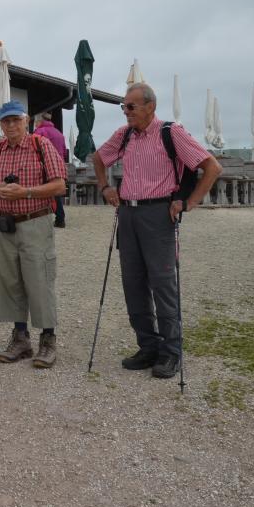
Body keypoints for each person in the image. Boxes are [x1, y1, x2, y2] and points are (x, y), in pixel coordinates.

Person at [93, 82, 222, 379]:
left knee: (163, 284)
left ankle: (171, 352)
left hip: (158, 213)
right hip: (127, 213)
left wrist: (190, 202)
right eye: (124, 106)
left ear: (150, 106)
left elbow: (211, 167)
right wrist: (105, 188)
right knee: (133, 283)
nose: (126, 112)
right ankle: (148, 346)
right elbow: (99, 159)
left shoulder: (170, 132)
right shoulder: (124, 135)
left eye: (131, 106)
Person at [0, 100, 67, 369]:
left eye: (15, 120)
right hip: (5, 224)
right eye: (5, 121)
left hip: (35, 221)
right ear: (0, 124)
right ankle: (20, 338)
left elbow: (59, 185)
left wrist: (26, 192)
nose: (10, 125)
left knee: (39, 279)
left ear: (26, 121)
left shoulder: (40, 145)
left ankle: (48, 340)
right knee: (9, 281)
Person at [34, 112, 69, 228]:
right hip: (59, 165)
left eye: (35, 122)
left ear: (39, 121)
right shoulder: (59, 133)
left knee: (43, 191)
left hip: (45, 165)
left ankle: (54, 218)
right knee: (55, 192)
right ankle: (60, 218)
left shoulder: (40, 132)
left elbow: (33, 149)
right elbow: (64, 151)